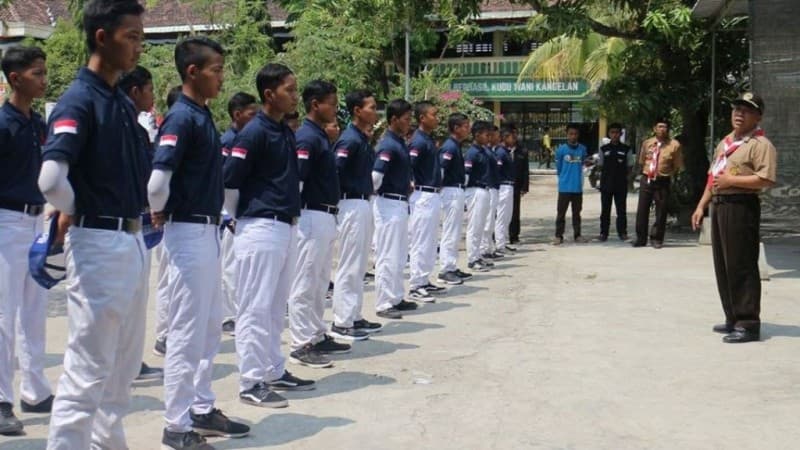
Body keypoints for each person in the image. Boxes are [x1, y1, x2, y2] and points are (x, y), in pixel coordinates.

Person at [37, 2, 150, 448]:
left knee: (121, 369)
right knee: (88, 368)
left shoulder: (118, 101)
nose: (139, 47)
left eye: (141, 37)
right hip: (99, 240)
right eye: (132, 37)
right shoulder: (80, 99)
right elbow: (50, 179)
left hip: (130, 238)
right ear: (102, 37)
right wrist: (76, 206)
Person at [148, 37, 249, 449]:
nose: (221, 77)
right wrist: (158, 209)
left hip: (205, 229)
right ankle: (176, 423)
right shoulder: (181, 118)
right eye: (217, 69)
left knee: (208, 328)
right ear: (193, 72)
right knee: (187, 332)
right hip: (187, 230)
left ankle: (202, 407)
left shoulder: (200, 115)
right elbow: (158, 179)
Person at [223, 63, 316, 409]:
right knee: (255, 308)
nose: (295, 95)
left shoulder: (284, 131)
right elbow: (230, 182)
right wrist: (237, 219)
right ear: (269, 94)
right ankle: (251, 381)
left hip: (285, 225)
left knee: (277, 307)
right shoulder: (253, 132)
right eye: (289, 90)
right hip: (260, 226)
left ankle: (273, 370)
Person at [691, 93, 776, 344]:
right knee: (724, 265)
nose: (739, 114)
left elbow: (766, 178)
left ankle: (748, 323)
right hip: (719, 205)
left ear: (758, 116)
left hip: (741, 206)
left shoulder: (760, 145)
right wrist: (701, 206)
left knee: (742, 264)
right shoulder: (725, 142)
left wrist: (733, 181)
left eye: (747, 110)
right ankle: (732, 316)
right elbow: (713, 177)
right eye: (736, 109)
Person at [0, 45, 54, 436]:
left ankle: (34, 388)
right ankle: (2, 399)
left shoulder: (37, 123)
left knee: (34, 310)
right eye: (37, 73)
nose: (44, 79)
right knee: (4, 315)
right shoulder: (2, 125)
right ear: (15, 78)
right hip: (5, 221)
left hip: (36, 221)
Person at [287, 80, 351, 369]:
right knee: (306, 280)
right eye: (332, 104)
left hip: (325, 215)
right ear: (316, 104)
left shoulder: (320, 136)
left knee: (320, 280)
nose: (335, 110)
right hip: (310, 215)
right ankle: (301, 342)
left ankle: (315, 332)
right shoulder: (307, 138)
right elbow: (297, 181)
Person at [117, 65, 166, 382]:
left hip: (136, 220)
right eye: (149, 89)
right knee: (121, 301)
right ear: (135, 91)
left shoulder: (136, 129)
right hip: (114, 224)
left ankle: (131, 364)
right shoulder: (116, 126)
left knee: (136, 299)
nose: (152, 96)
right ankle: (118, 366)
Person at [330, 90, 383, 339]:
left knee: (359, 264)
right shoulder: (349, 140)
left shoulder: (362, 139)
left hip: (363, 202)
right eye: (371, 107)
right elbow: (335, 173)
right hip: (350, 203)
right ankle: (341, 321)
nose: (375, 111)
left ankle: (354, 315)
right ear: (357, 111)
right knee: (349, 264)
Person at [372, 99, 421, 319]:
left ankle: (396, 296)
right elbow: (376, 177)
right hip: (388, 203)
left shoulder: (399, 142)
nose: (409, 123)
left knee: (400, 254)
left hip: (400, 202)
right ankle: (384, 302)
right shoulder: (388, 144)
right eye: (406, 119)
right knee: (388, 255)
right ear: (393, 119)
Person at [219, 92, 258, 336]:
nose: (255, 119)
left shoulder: (247, 138)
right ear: (237, 115)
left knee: (241, 266)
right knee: (231, 266)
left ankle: (240, 310)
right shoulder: (229, 141)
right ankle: (229, 315)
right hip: (230, 212)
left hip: (242, 210)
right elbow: (225, 180)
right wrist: (228, 214)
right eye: (251, 114)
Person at [152, 84, 184, 359]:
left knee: (171, 279)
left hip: (171, 215)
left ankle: (170, 331)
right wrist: (157, 209)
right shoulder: (171, 132)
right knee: (167, 279)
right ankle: (164, 334)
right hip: (168, 218)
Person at [407, 101, 445, 300]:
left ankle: (424, 280)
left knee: (430, 241)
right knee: (420, 240)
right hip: (422, 194)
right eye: (433, 114)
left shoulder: (428, 140)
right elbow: (409, 165)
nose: (436, 118)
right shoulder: (418, 141)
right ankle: (415, 285)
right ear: (422, 118)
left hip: (432, 194)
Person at [632, 118, 683, 248]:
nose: (662, 129)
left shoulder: (674, 145)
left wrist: (668, 175)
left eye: (665, 127)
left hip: (663, 181)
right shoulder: (647, 143)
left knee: (661, 210)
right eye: (659, 126)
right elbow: (642, 160)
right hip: (647, 178)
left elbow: (677, 165)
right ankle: (640, 238)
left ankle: (657, 238)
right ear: (654, 128)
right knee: (642, 209)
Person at [436, 113, 473, 285]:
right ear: (456, 128)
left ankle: (451, 265)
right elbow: (441, 170)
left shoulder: (456, 146)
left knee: (455, 231)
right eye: (465, 126)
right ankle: (446, 269)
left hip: (456, 190)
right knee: (450, 231)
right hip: (449, 191)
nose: (468, 129)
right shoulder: (449, 147)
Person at [464, 120, 493, 272]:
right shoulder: (472, 152)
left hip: (484, 190)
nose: (488, 137)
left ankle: (477, 255)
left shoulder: (482, 151)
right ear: (477, 135)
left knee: (481, 225)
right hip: (475, 190)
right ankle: (472, 259)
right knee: (474, 226)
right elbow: (467, 174)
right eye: (486, 135)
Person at [552, 124, 588, 245]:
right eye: (571, 134)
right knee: (561, 213)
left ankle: (577, 235)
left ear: (578, 135)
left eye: (575, 134)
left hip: (577, 187)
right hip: (564, 187)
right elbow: (559, 168)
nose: (573, 136)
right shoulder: (561, 150)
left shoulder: (582, 149)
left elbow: (583, 165)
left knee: (577, 213)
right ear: (567, 135)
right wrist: (563, 178)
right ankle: (558, 236)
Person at [597, 123, 633, 241]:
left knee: (621, 210)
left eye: (617, 132)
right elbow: (600, 166)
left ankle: (622, 232)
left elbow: (629, 167)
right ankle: (604, 233)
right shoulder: (603, 149)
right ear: (609, 134)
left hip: (621, 185)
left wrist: (626, 179)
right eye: (612, 132)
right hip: (606, 184)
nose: (615, 135)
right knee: (605, 210)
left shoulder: (626, 149)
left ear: (621, 134)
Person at [480, 126, 503, 261]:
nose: (497, 138)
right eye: (495, 135)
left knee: (491, 220)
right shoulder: (485, 152)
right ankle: (484, 249)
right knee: (487, 221)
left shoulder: (490, 151)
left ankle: (488, 247)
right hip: (489, 187)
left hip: (493, 187)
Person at [494, 128, 516, 253]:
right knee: (501, 216)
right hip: (503, 186)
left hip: (509, 185)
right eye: (511, 137)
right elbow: (497, 169)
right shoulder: (501, 152)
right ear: (505, 137)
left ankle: (503, 241)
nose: (513, 140)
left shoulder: (506, 152)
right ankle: (499, 244)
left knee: (507, 216)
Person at [509, 126, 529, 245]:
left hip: (516, 185)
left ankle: (514, 235)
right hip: (502, 186)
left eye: (516, 134)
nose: (515, 136)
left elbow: (525, 170)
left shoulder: (522, 150)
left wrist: (524, 187)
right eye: (512, 134)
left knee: (515, 211)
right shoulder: (501, 150)